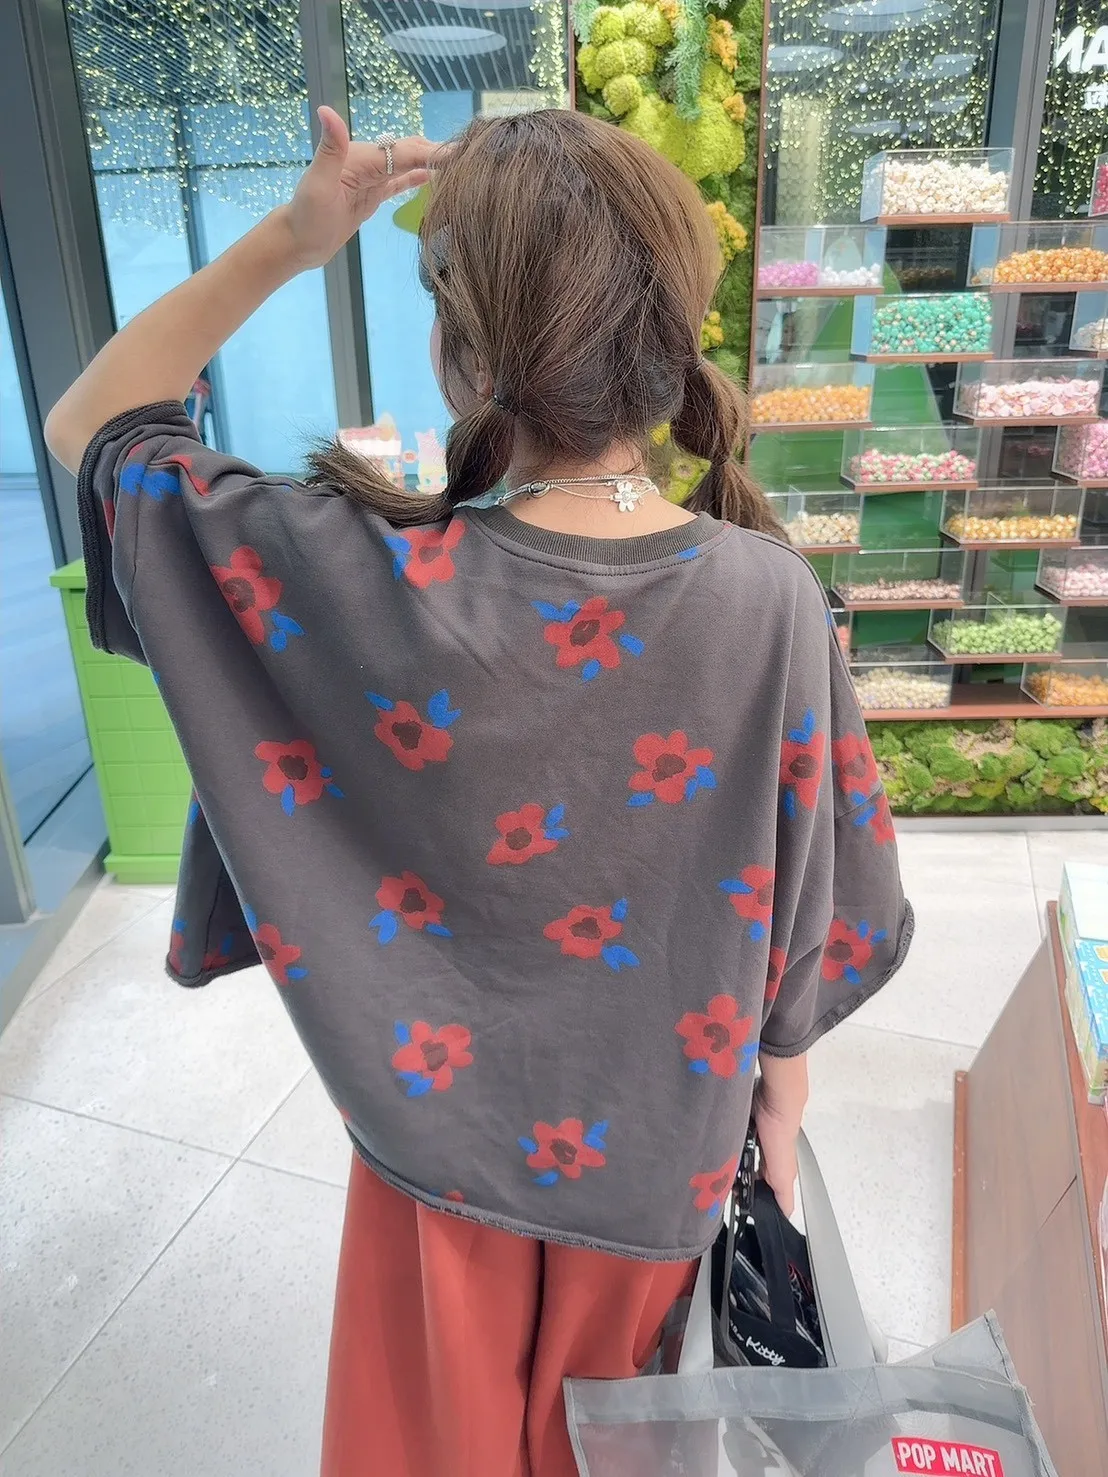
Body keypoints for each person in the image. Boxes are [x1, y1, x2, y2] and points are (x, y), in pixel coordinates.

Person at [46, 107, 911, 1477]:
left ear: (464, 351)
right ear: (667, 332)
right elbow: (808, 934)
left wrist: (293, 239)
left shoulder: (350, 578)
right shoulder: (770, 599)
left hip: (433, 1182)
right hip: (663, 1183)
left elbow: (90, 425)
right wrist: (776, 1142)